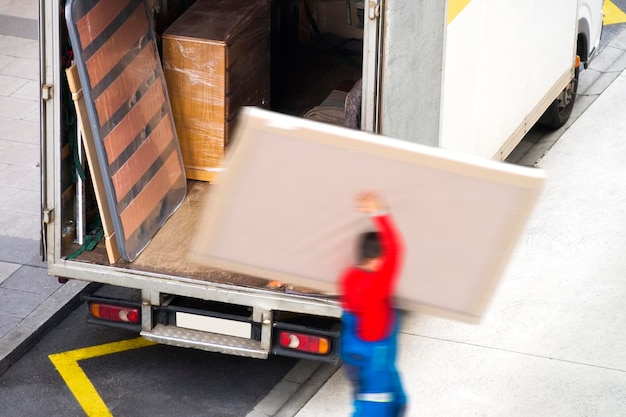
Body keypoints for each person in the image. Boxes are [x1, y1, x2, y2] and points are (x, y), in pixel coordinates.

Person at [339, 191, 407, 417]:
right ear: (378, 259)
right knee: (375, 407)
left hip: (354, 355)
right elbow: (397, 250)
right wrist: (380, 212)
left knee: (389, 399)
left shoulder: (349, 277)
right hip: (374, 357)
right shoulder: (378, 284)